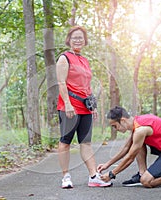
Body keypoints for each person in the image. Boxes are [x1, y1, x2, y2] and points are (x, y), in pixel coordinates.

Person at [56, 26, 112, 188]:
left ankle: (93, 176)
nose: (78, 40)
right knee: (65, 141)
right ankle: (65, 176)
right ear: (69, 40)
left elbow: (87, 85)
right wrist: (67, 103)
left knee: (86, 143)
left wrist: (92, 106)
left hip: (85, 107)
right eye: (74, 37)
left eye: (81, 37)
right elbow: (61, 83)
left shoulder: (84, 60)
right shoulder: (64, 58)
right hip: (70, 107)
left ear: (85, 41)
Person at [97, 106, 161, 188]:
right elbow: (126, 148)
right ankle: (142, 173)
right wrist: (107, 164)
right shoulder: (136, 123)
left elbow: (130, 158)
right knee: (137, 144)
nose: (115, 129)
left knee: (146, 182)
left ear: (122, 120)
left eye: (114, 126)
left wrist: (111, 174)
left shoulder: (140, 130)